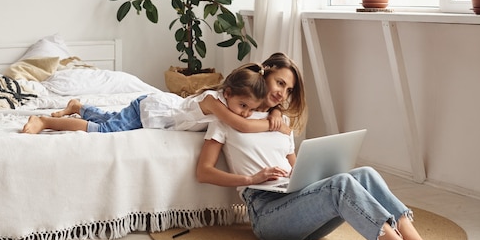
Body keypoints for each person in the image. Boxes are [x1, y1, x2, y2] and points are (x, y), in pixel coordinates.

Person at [196, 52, 472, 240]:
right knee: (340, 184)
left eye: (289, 89)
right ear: (264, 75)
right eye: (280, 82)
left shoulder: (283, 124)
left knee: (365, 174)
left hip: (297, 208)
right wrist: (252, 179)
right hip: (266, 214)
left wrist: (306, 175)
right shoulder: (228, 117)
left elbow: (296, 167)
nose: (283, 92)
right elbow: (204, 172)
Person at [21, 59, 293, 135]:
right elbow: (241, 125)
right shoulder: (213, 101)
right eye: (243, 106)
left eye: (250, 108)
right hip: (153, 109)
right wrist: (273, 124)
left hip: (155, 110)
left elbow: (254, 114)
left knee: (113, 118)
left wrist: (277, 112)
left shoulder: (239, 100)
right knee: (106, 129)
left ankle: (78, 106)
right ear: (228, 93)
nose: (245, 112)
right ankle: (45, 122)